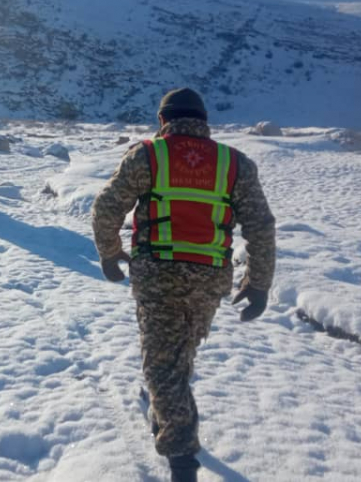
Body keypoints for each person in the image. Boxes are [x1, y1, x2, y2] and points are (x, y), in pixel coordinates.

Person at [91, 88, 276, 482]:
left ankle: (181, 460)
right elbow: (261, 226)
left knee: (162, 367)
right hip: (210, 280)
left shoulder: (149, 155)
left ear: (163, 121)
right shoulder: (234, 163)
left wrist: (110, 253)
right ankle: (164, 410)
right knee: (177, 355)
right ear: (204, 122)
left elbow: (107, 207)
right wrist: (258, 283)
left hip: (158, 276)